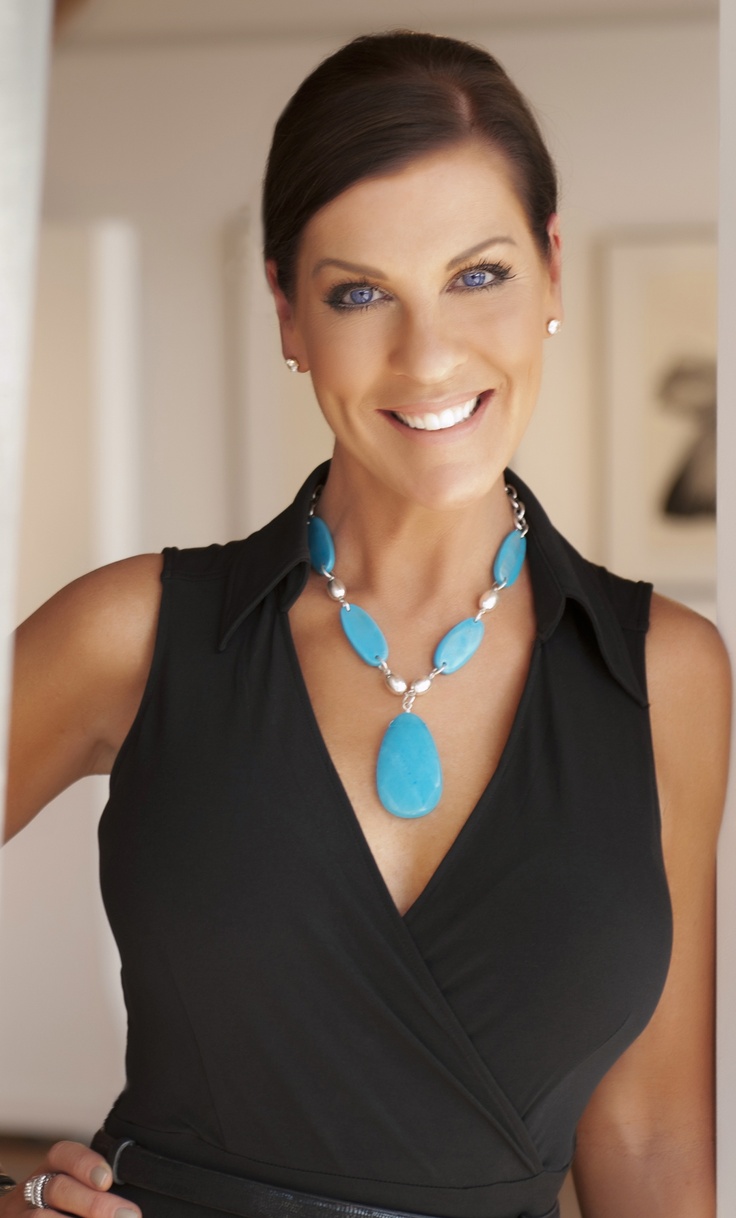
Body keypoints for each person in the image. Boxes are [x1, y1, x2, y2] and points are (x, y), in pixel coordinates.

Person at [1, 29, 729, 1218]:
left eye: (477, 274)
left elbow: (649, 1142)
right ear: (287, 312)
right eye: (357, 294)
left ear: (551, 270)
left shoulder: (668, 675)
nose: (428, 352)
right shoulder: (131, 636)